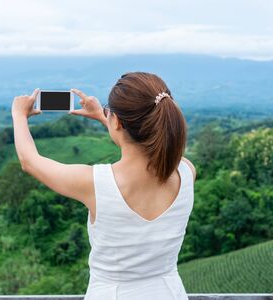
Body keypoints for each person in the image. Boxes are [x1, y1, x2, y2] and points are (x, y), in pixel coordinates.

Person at [11, 71, 196, 300]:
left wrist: (19, 114)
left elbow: (30, 161)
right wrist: (105, 116)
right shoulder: (186, 172)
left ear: (117, 122)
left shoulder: (97, 184)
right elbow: (153, 147)